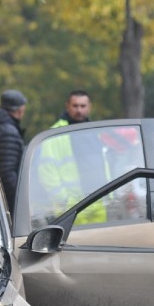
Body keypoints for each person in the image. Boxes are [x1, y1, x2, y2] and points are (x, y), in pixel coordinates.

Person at [36, 90, 106, 224]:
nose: (79, 110)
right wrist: (64, 200)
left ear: (89, 107)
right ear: (67, 106)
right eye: (75, 106)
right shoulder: (55, 134)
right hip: (71, 207)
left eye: (83, 106)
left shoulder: (95, 131)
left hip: (99, 203)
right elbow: (47, 171)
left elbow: (104, 165)